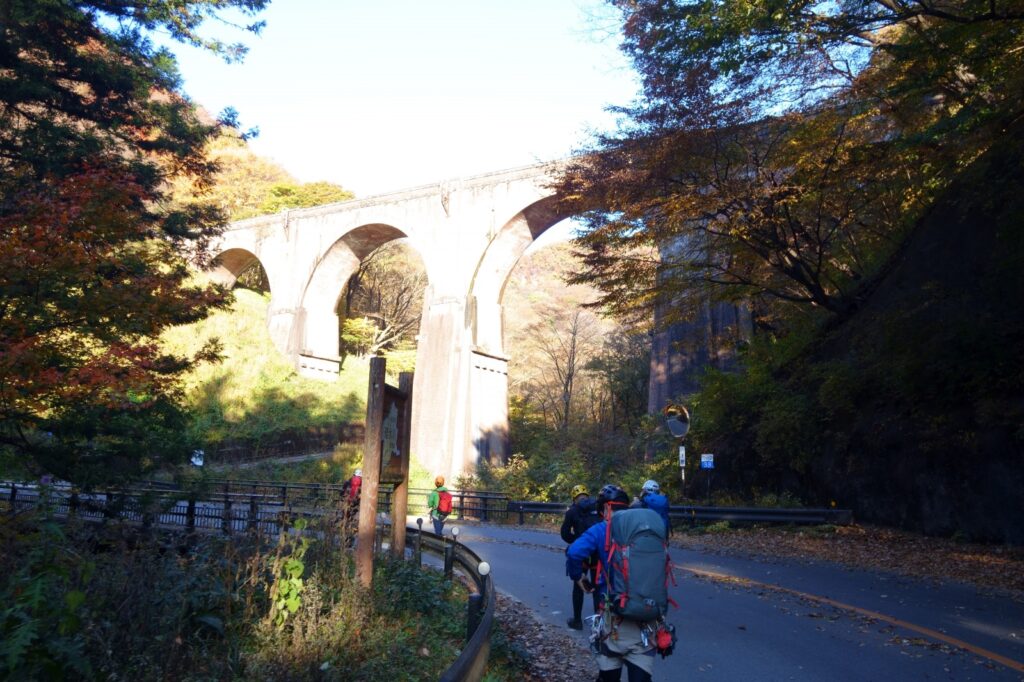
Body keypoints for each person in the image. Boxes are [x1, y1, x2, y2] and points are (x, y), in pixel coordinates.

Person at [568, 484, 658, 682]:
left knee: (608, 676)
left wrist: (578, 577)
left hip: (612, 617)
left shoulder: (602, 529)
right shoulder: (646, 529)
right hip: (646, 616)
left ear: (606, 509)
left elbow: (574, 552)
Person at [561, 484, 601, 630]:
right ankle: (599, 623)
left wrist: (578, 542)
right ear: (587, 495)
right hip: (597, 553)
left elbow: (565, 534)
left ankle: (577, 621)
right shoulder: (597, 508)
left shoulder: (572, 511)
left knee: (578, 586)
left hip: (581, 555)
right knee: (598, 587)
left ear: (574, 498)